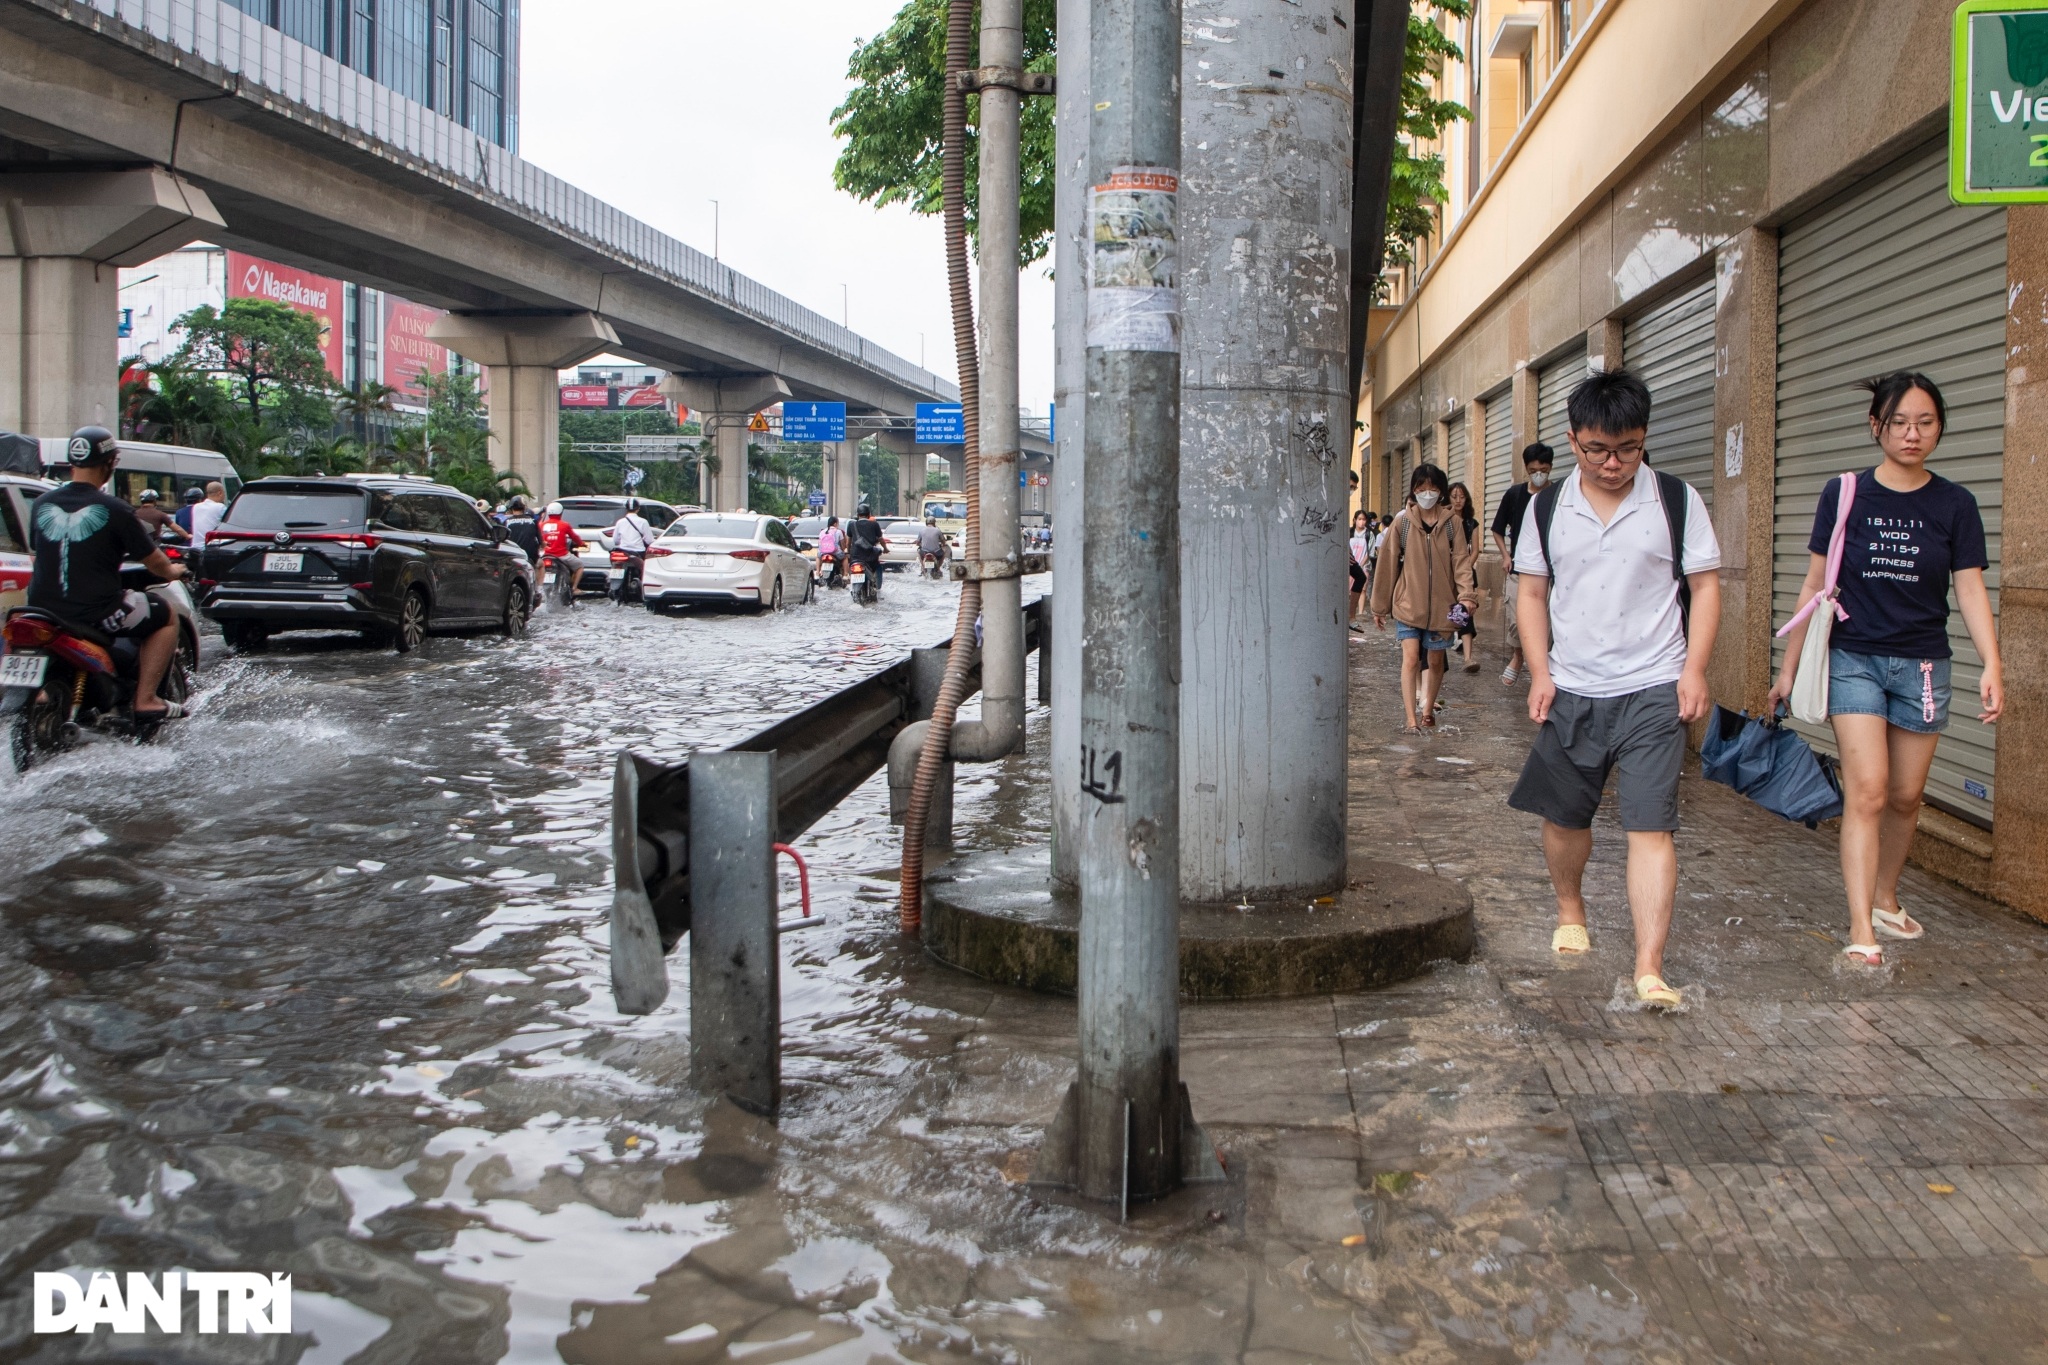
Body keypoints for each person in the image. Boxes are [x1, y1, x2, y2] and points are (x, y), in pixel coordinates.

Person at [1769, 372, 2002, 967]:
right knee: (1868, 791)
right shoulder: (1845, 492)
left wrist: (1992, 664)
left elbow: (1971, 591)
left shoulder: (1955, 504)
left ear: (1940, 427)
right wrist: (1788, 668)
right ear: (1877, 426)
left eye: (1925, 422)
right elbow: (1815, 584)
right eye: (1899, 422)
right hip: (1855, 660)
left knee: (1905, 796)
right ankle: (1859, 929)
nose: (1912, 433)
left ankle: (1884, 898)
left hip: (1925, 666)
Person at [1509, 370, 1720, 1011]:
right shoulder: (1546, 508)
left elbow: (1706, 587)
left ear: (1644, 437)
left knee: (1650, 825)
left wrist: (1694, 669)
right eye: (1597, 449)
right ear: (1572, 440)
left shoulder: (1675, 500)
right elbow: (1531, 594)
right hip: (1573, 687)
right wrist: (1541, 673)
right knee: (1565, 816)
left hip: (1655, 686)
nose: (1613, 463)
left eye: (1628, 448)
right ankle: (1570, 907)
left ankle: (1648, 967)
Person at [25, 428, 187, 718]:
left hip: (41, 609)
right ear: (111, 463)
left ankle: (42, 695)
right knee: (166, 614)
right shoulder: (115, 509)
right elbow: (155, 563)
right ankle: (146, 699)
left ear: (71, 462)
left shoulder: (40, 505)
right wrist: (174, 571)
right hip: (94, 612)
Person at [1369, 464, 1478, 733]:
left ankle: (1427, 709)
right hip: (1408, 605)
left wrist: (1466, 596)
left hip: (1444, 608)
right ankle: (1411, 720)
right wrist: (1379, 606)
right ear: (1414, 490)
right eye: (1421, 488)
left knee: (1437, 660)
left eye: (1431, 488)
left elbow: (1461, 562)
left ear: (1441, 490)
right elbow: (1387, 564)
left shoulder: (1453, 524)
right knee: (1411, 658)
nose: (1426, 493)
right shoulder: (1402, 523)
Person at [1491, 443, 1554, 687]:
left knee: (1548, 621)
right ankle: (1518, 656)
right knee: (1518, 618)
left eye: (1544, 469)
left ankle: (1544, 667)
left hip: (1550, 571)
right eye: (1534, 469)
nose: (1539, 474)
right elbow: (1497, 529)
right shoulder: (1515, 494)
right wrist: (1506, 556)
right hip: (1520, 569)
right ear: (1526, 469)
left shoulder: (1557, 494)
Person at [1448, 483, 1481, 673]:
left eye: (1461, 497)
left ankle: (1468, 657)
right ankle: (1446, 644)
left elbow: (1475, 549)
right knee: (1448, 611)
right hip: (1445, 573)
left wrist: (1465, 567)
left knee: (1464, 611)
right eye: (1454, 496)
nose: (1458, 500)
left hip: (1464, 573)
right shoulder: (1444, 520)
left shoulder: (1471, 523)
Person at [609, 498, 657, 603]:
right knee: (645, 571)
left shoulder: (620, 522)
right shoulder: (643, 522)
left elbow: (615, 540)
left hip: (621, 551)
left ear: (626, 509)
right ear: (638, 509)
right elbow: (649, 540)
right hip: (638, 552)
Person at [537, 501, 586, 596]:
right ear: (560, 512)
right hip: (561, 555)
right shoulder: (564, 525)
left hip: (544, 555)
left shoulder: (541, 525)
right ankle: (574, 588)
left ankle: (538, 590)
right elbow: (574, 537)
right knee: (580, 566)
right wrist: (581, 543)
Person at [845, 503, 885, 594]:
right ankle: (877, 587)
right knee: (878, 566)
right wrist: (885, 549)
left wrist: (848, 551)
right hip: (870, 557)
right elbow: (881, 539)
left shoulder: (852, 525)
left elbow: (848, 542)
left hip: (855, 557)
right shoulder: (874, 524)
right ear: (869, 514)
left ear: (858, 515)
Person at [1347, 509, 1372, 632]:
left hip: (1354, 560)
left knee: (1361, 578)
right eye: (1359, 519)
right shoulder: (1350, 531)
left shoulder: (1368, 534)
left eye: (1363, 519)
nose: (1361, 522)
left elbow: (1370, 551)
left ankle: (1351, 616)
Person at [501, 496, 542, 566]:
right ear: (524, 508)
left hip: (512, 558)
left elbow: (502, 541)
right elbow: (540, 542)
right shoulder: (533, 521)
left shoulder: (506, 522)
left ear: (511, 508)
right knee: (541, 565)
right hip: (531, 558)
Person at [188, 481, 228, 549]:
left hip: (195, 547)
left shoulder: (196, 507)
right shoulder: (221, 507)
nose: (224, 496)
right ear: (220, 493)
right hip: (211, 548)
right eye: (224, 493)